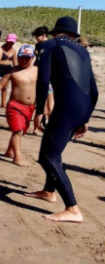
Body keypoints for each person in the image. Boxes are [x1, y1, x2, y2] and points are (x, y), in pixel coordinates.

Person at [26, 17, 98, 223]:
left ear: (54, 32)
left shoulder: (49, 45)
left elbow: (43, 80)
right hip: (81, 108)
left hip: (66, 108)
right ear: (74, 35)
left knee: (48, 157)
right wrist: (85, 117)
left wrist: (39, 111)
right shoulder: (83, 51)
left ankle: (72, 208)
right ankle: (49, 191)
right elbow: (93, 89)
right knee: (55, 152)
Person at [0, 44, 37, 167]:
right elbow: (0, 85)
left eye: (27, 58)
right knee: (17, 131)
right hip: (15, 106)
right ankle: (17, 158)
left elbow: (45, 88)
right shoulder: (12, 71)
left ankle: (9, 152)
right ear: (17, 57)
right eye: (22, 57)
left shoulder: (37, 71)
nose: (24, 60)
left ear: (32, 58)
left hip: (30, 107)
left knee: (21, 131)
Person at [33, 26, 52, 134]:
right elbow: (37, 59)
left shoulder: (51, 45)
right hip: (39, 75)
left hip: (49, 76)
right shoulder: (38, 45)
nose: (36, 38)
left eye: (37, 35)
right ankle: (36, 127)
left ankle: (48, 123)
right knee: (39, 102)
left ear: (44, 35)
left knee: (50, 103)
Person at [0, 33, 18, 117]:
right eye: (9, 41)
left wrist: (17, 71)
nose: (10, 43)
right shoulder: (0, 49)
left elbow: (15, 62)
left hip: (8, 69)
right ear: (6, 40)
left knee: (5, 87)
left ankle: (3, 103)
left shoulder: (13, 51)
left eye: (12, 42)